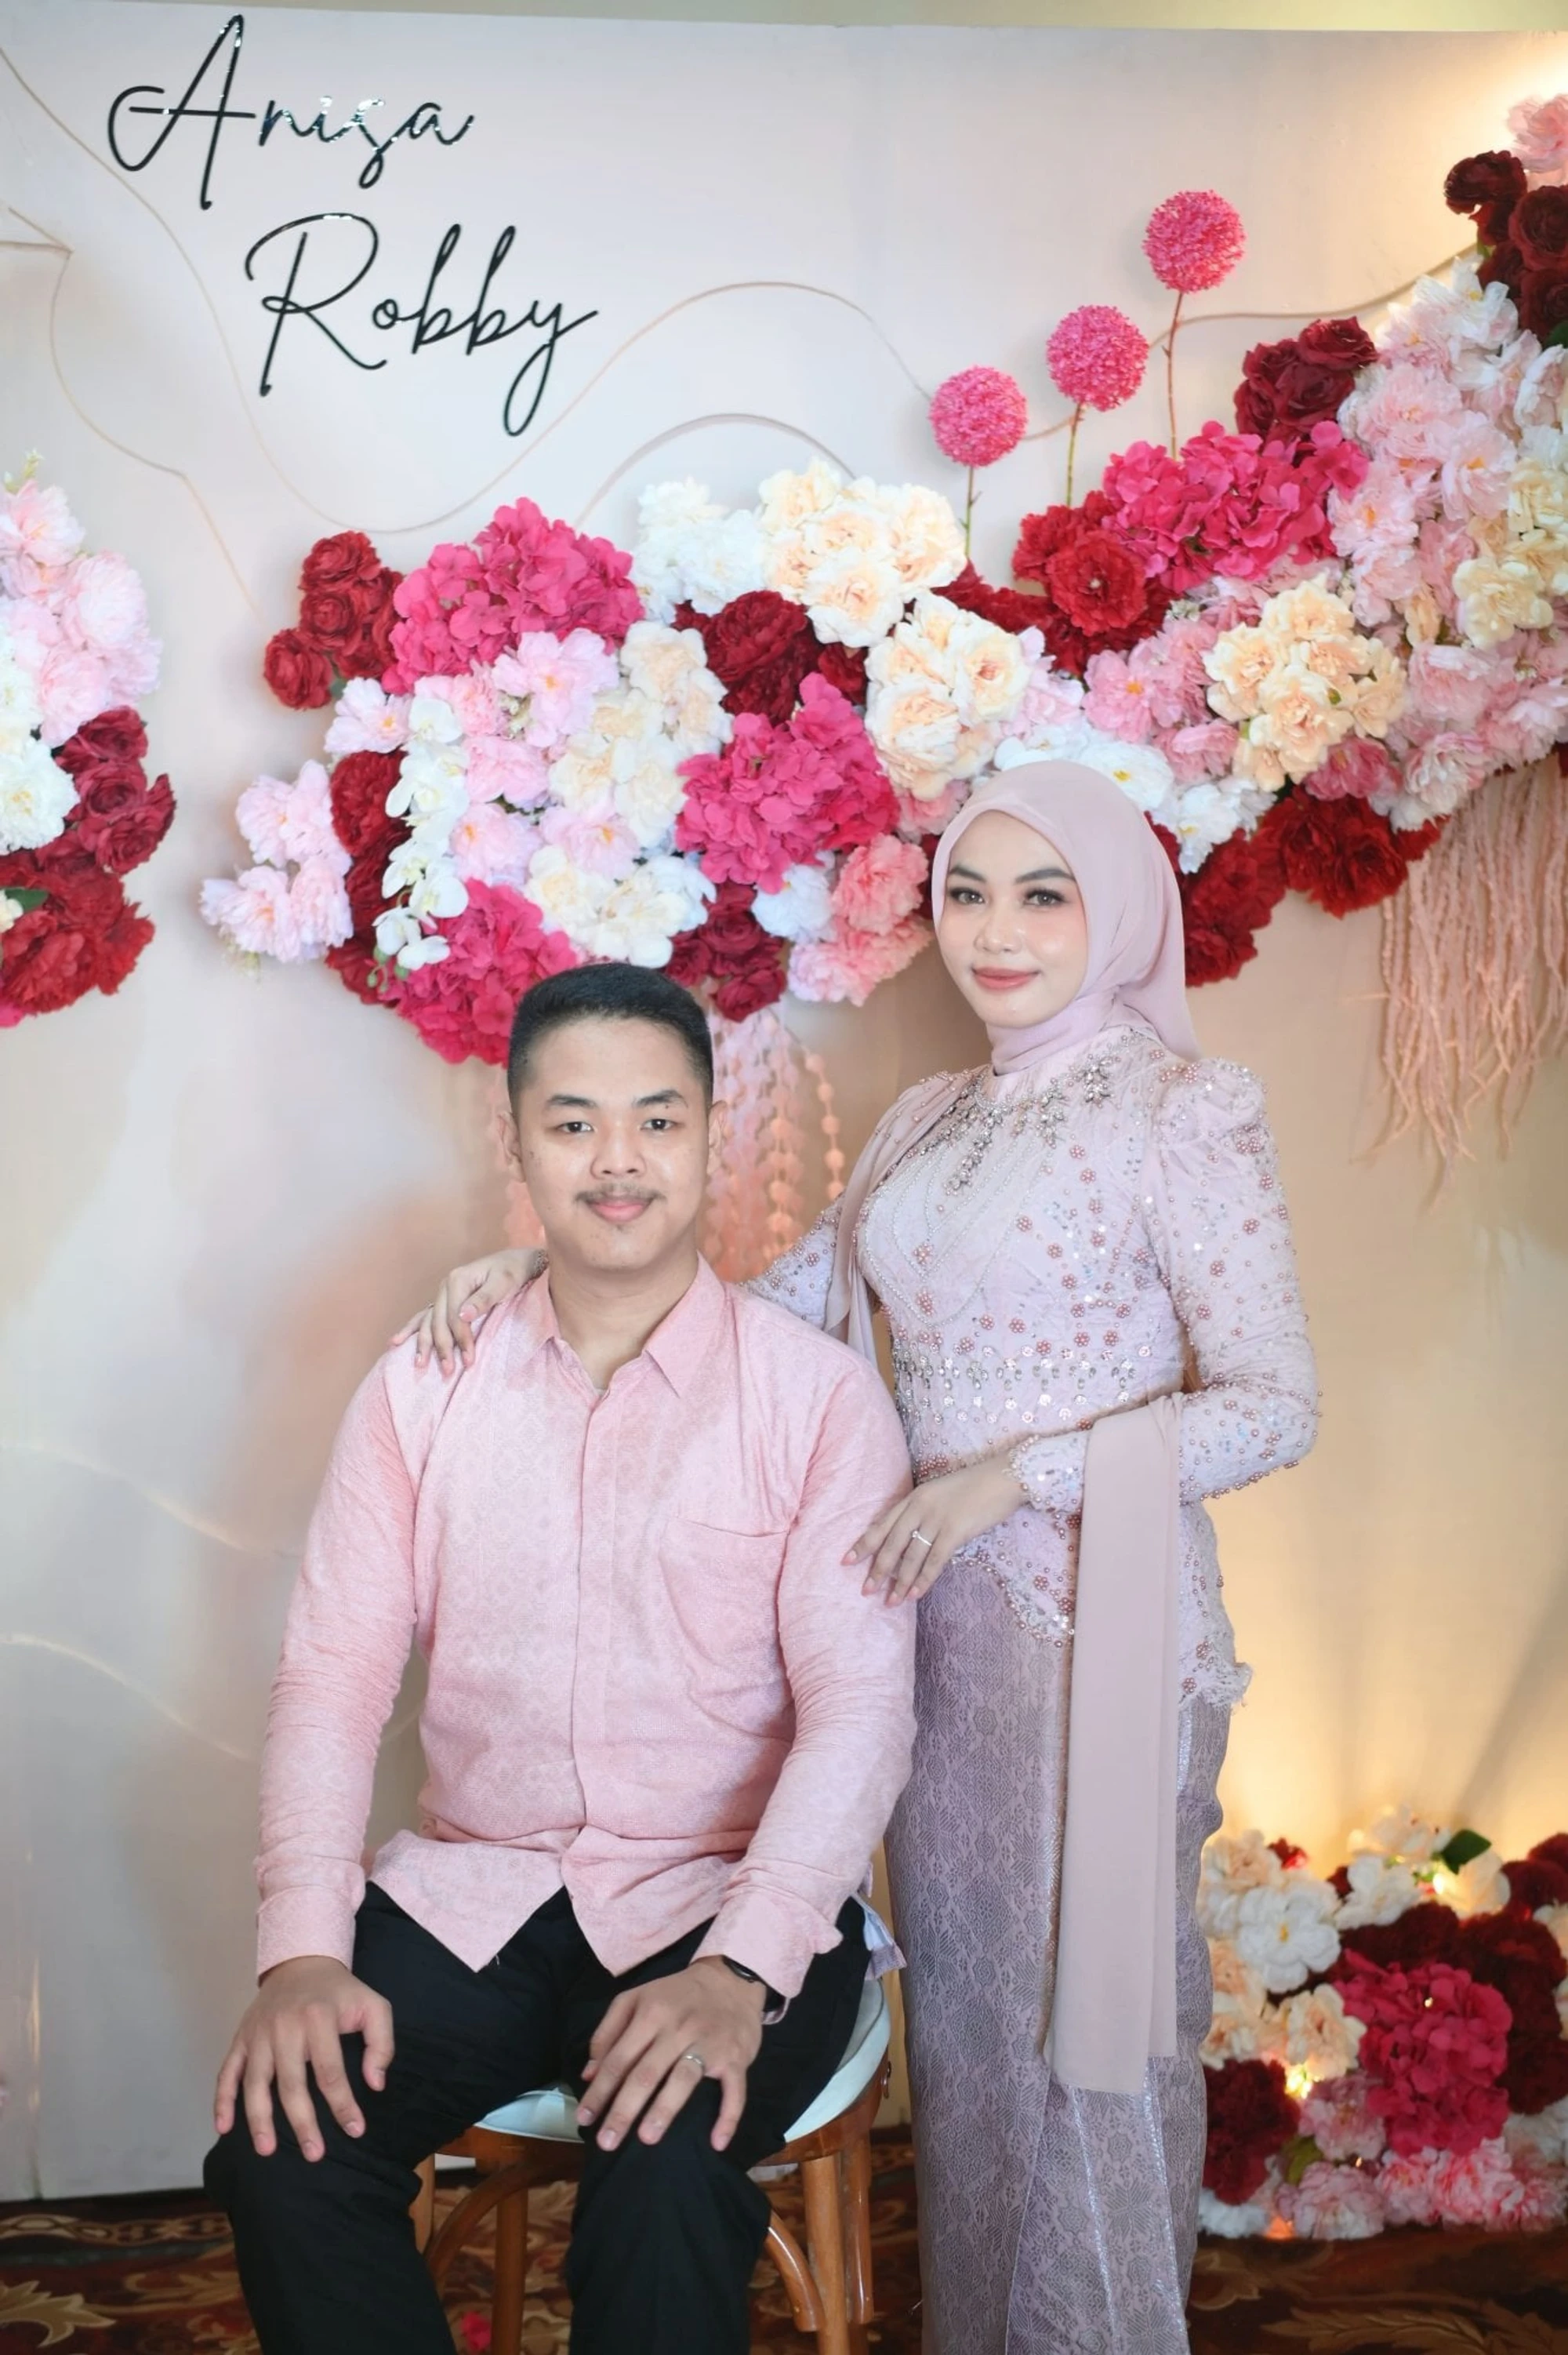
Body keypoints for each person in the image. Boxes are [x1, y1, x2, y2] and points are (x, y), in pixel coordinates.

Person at [406, 760, 1319, 2355]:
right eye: (967, 893)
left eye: (1042, 895)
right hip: (917, 1620)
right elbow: (772, 1316)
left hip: (1085, 1626)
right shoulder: (927, 1116)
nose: (995, 932)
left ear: (1117, 908)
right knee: (971, 2026)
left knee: (1088, 2024)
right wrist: (555, 1272)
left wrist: (1008, 1480)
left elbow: (1274, 1401)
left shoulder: (1184, 1109)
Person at [205, 963, 916, 2355]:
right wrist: (301, 1950)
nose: (618, 1161)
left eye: (658, 1120)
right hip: (476, 1891)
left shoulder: (816, 1398)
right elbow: (333, 1678)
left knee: (665, 2167)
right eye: (575, 1122)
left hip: (724, 1900)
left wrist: (741, 1968)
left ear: (711, 1135)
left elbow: (861, 1709)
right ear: (518, 1139)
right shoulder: (425, 1382)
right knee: (282, 2141)